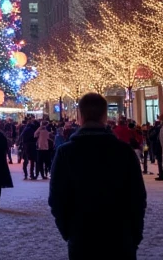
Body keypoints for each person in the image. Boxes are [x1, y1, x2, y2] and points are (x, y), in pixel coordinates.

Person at [49, 92, 146, 260]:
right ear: (104, 115)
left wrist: (69, 232)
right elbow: (137, 198)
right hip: (119, 235)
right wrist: (134, 235)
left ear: (80, 116)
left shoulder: (66, 153)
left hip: (82, 235)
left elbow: (57, 199)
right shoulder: (123, 152)